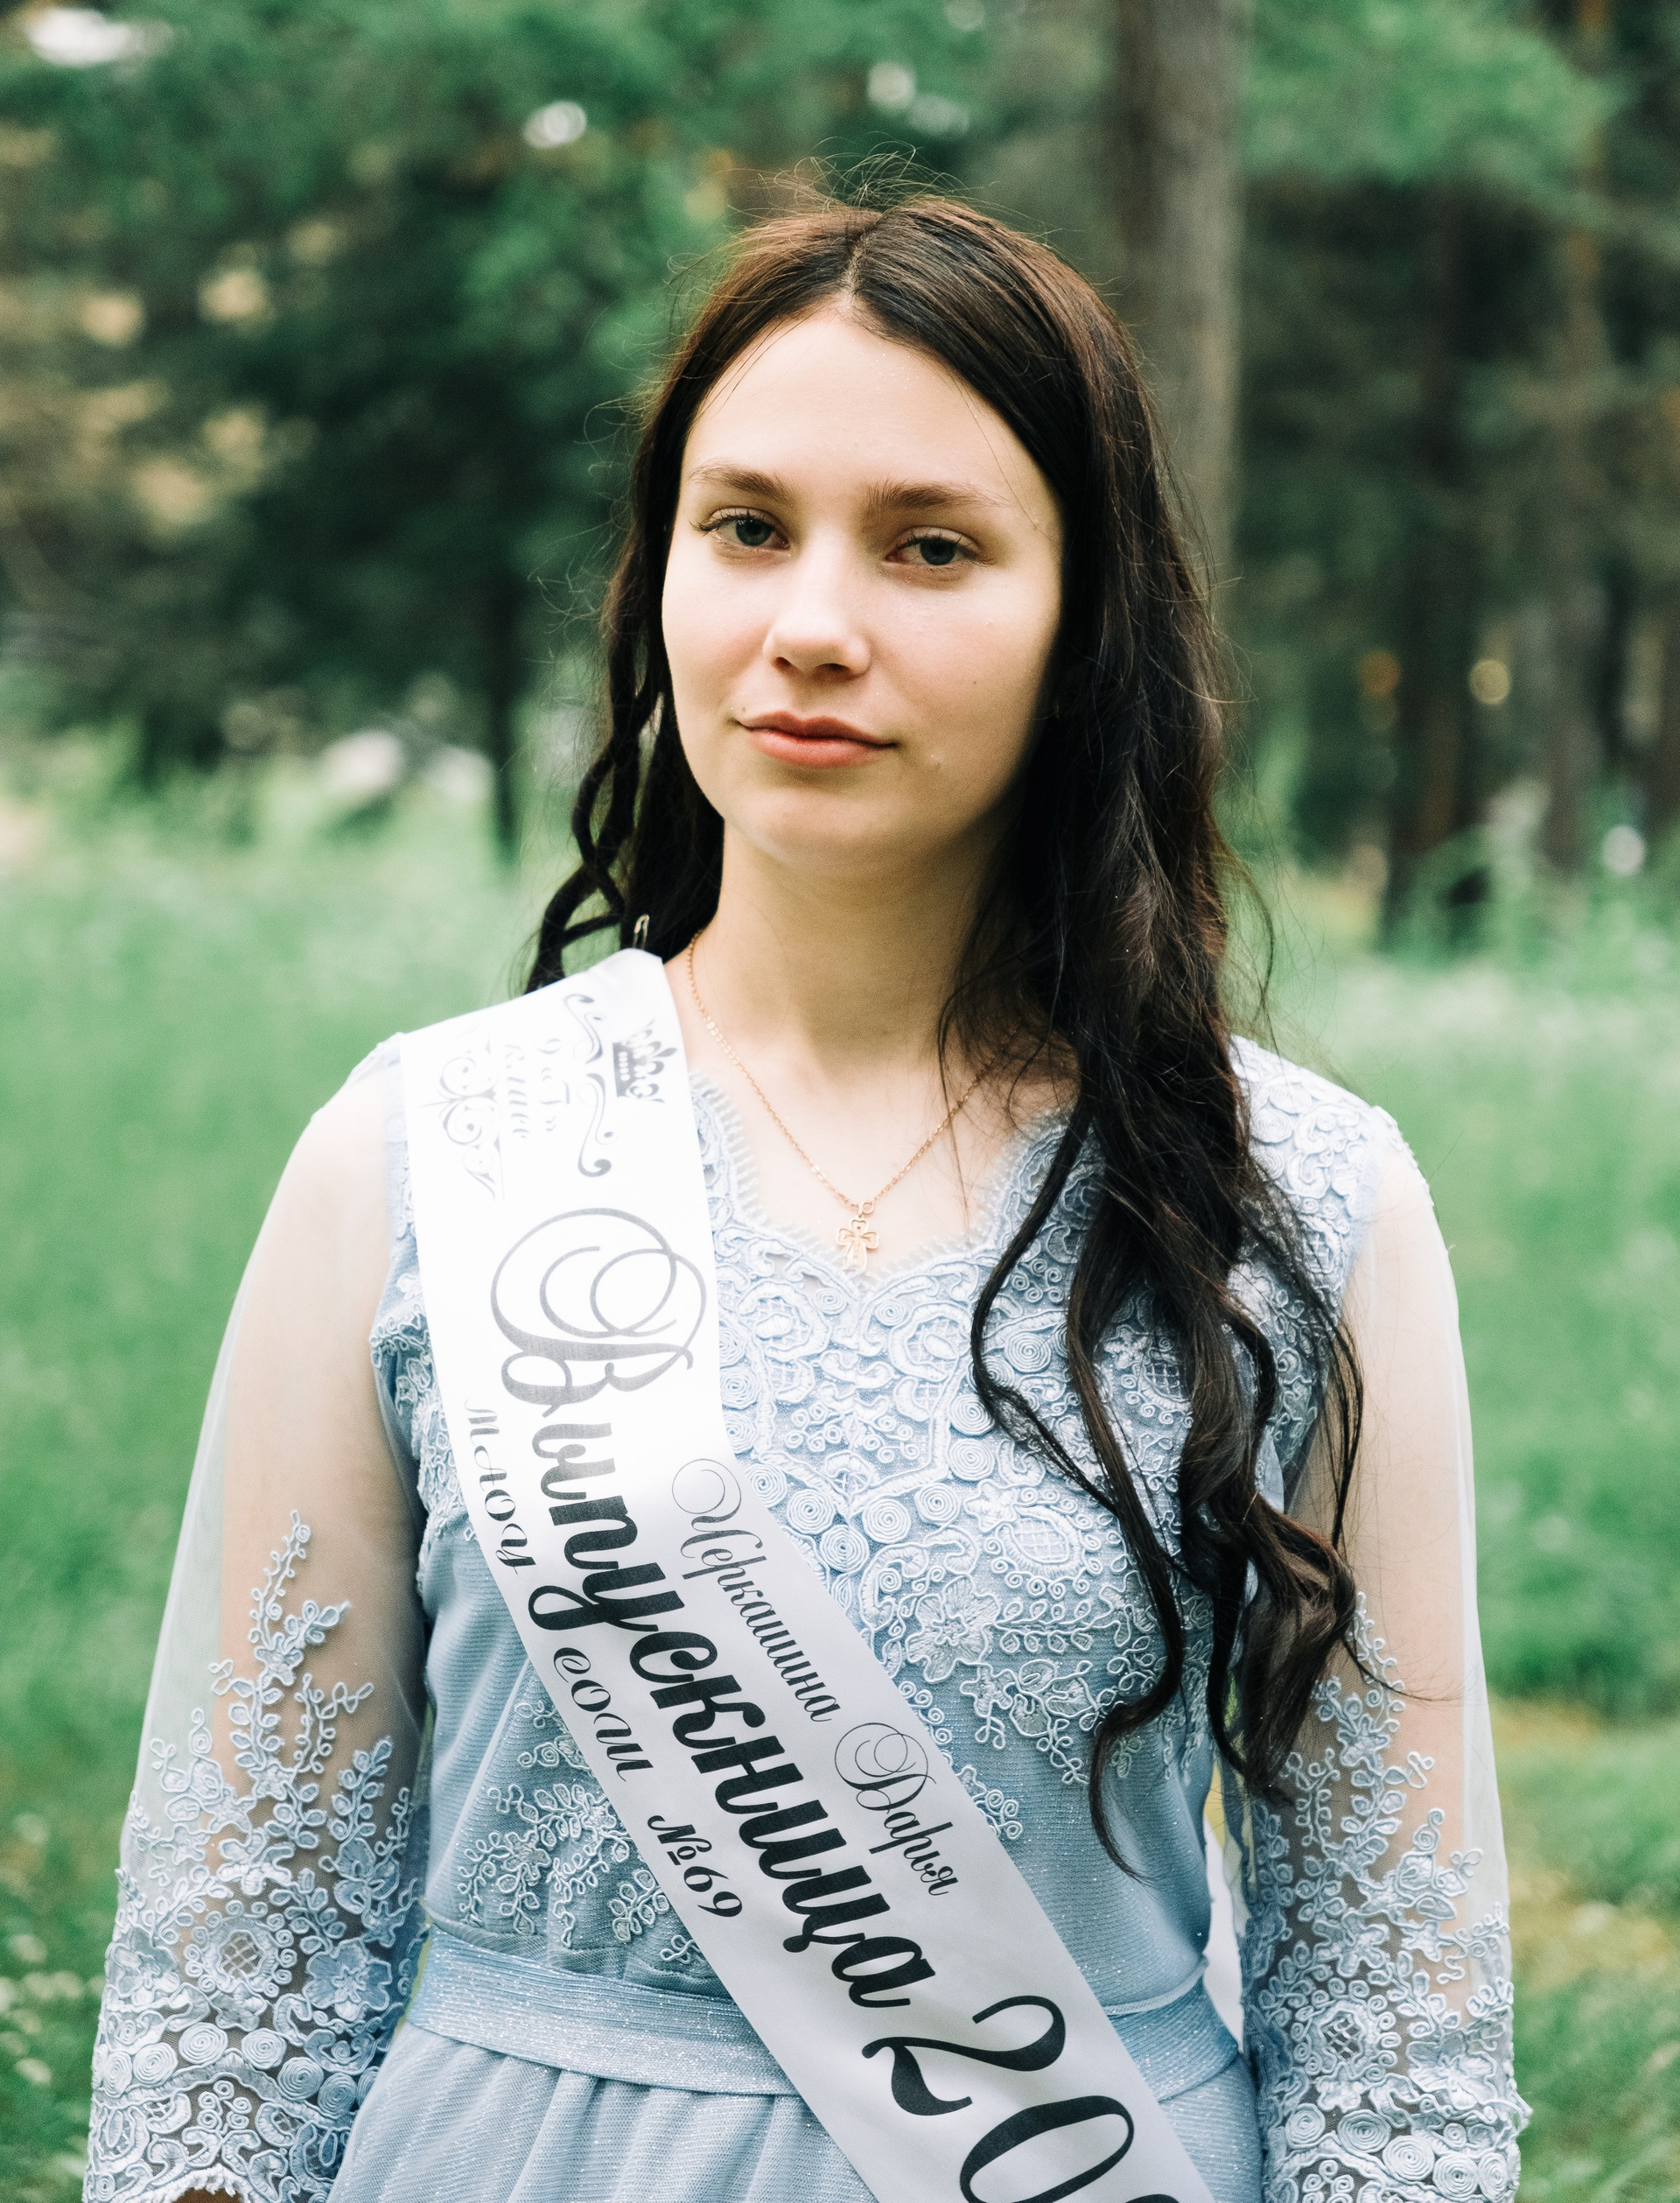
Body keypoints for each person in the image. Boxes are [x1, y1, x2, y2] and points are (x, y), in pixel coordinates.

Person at [86, 199, 1526, 2203]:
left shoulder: (1299, 1203)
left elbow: (1395, 2031)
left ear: (1086, 619)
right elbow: (238, 1976)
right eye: (747, 527)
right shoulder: (427, 1154)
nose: (815, 624)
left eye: (930, 546)